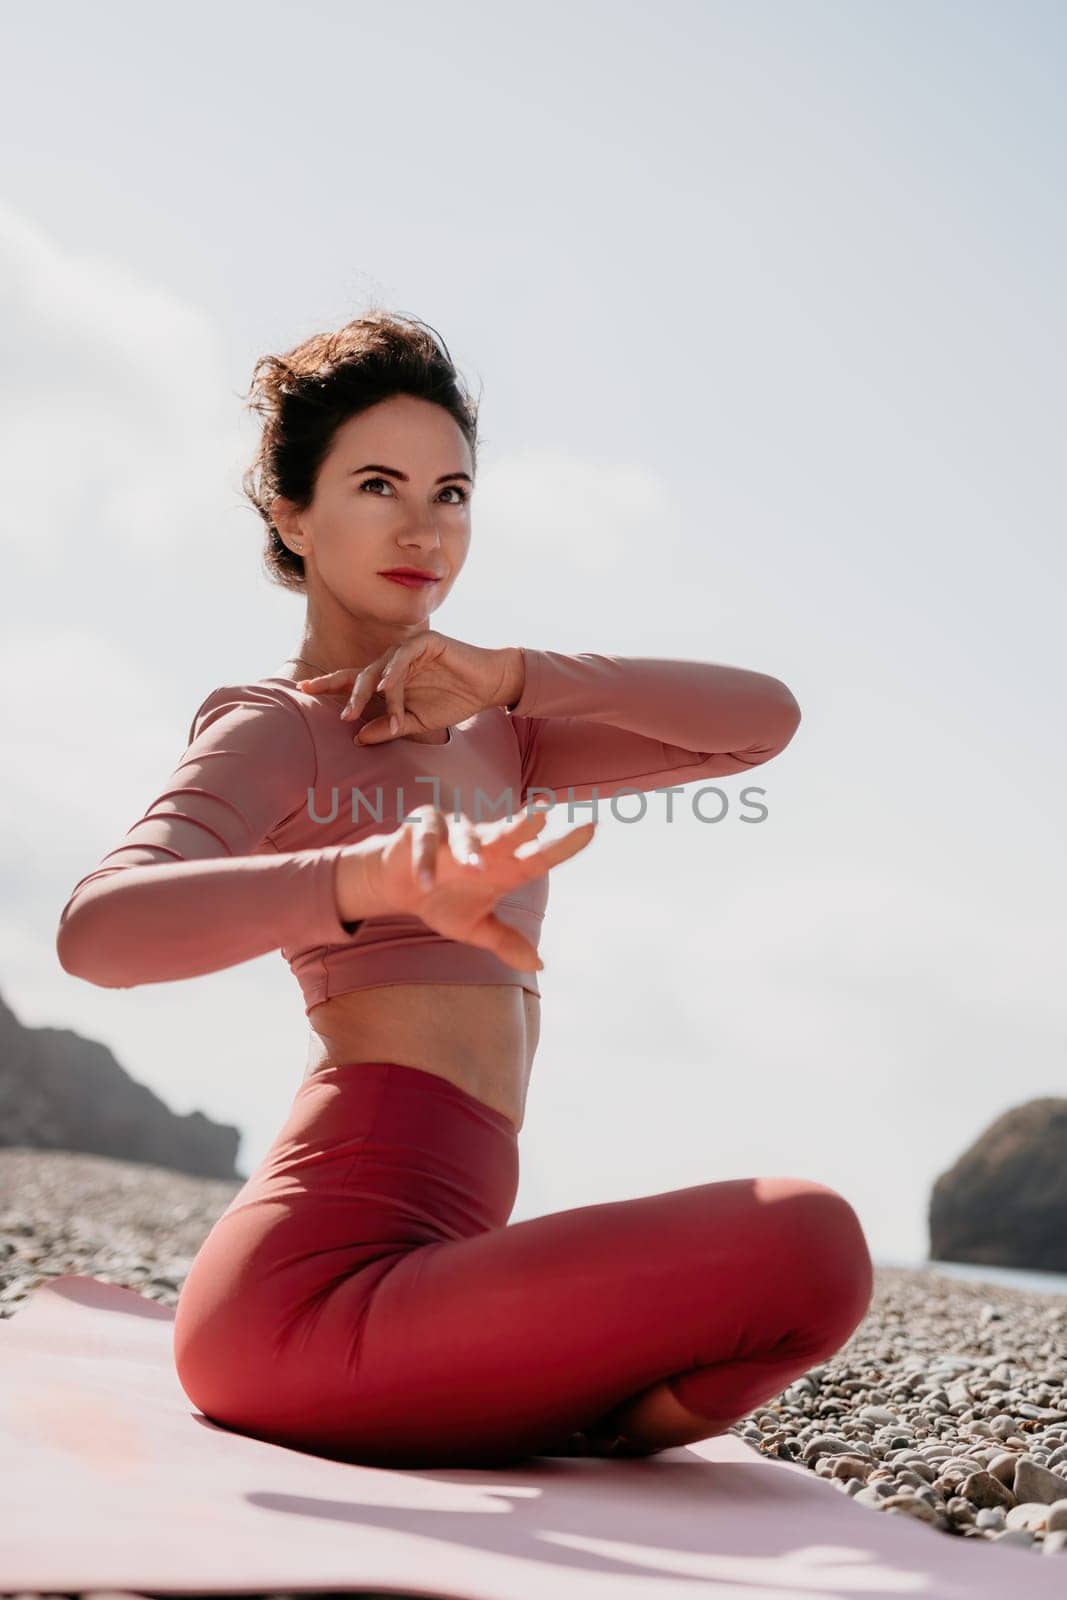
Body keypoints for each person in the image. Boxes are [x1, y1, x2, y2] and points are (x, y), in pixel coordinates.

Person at [56, 309, 874, 1469]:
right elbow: (98, 933)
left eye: (451, 493)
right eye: (377, 484)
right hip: (301, 1296)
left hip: (440, 1257)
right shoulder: (274, 727)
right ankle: (551, 1416)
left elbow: (759, 724)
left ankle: (562, 1419)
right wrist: (371, 875)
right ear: (291, 513)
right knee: (809, 1239)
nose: (422, 526)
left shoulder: (504, 733)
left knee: (811, 1264)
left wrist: (514, 675)